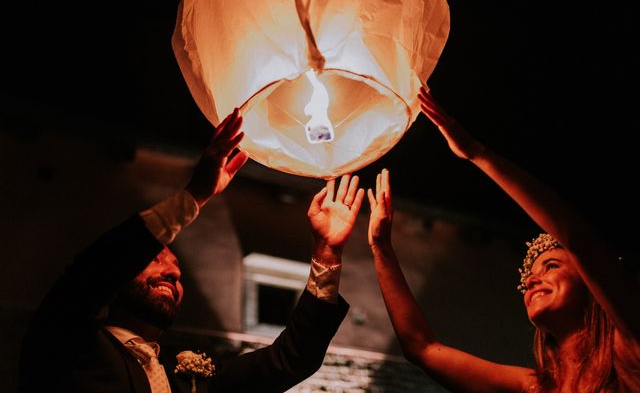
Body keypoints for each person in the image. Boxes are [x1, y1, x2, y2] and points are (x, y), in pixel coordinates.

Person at [19, 107, 365, 393]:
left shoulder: (189, 381)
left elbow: (291, 359)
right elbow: (92, 271)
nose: (172, 271)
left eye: (178, 270)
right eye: (155, 259)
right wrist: (195, 196)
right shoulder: (68, 341)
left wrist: (327, 253)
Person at [365, 87, 640, 392]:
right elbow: (422, 348)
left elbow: (576, 238)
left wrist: (477, 154)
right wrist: (381, 248)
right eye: (528, 279)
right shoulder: (537, 386)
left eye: (550, 266)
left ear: (590, 281)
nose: (531, 282)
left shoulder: (629, 350)